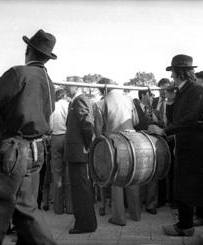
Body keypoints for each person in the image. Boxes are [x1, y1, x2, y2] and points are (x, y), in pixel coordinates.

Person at [0, 29, 57, 245]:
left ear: (28, 50)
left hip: (15, 148)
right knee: (25, 205)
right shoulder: (48, 82)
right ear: (47, 57)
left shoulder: (19, 73)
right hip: (38, 149)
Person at [149, 54, 203, 245]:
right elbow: (175, 119)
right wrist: (171, 102)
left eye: (172, 73)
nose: (171, 77)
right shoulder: (181, 92)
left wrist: (164, 130)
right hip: (184, 145)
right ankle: (185, 225)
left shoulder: (197, 90)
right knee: (182, 186)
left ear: (178, 72)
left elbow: (190, 118)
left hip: (197, 146)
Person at [94, 77, 141, 226]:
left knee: (117, 179)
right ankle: (136, 214)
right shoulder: (128, 99)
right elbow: (136, 121)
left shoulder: (101, 103)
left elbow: (98, 130)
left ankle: (119, 218)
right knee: (133, 176)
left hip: (114, 141)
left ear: (103, 90)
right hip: (132, 140)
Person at [64, 77, 97, 234]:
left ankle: (85, 224)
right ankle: (86, 223)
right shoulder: (76, 101)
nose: (65, 88)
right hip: (76, 153)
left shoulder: (80, 100)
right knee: (80, 189)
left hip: (79, 153)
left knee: (81, 189)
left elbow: (87, 125)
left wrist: (88, 146)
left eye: (67, 85)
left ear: (75, 86)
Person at [47, 88, 72, 214]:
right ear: (65, 95)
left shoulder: (53, 106)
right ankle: (70, 207)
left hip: (55, 138)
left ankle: (58, 208)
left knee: (57, 173)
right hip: (67, 138)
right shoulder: (68, 106)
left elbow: (49, 126)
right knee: (69, 172)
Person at [133, 89, 158, 215]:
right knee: (140, 174)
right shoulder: (134, 107)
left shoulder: (153, 110)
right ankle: (138, 202)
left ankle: (151, 204)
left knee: (153, 174)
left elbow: (159, 124)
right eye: (150, 94)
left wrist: (156, 120)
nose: (152, 97)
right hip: (138, 145)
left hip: (152, 145)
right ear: (142, 95)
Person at [152, 78, 173, 208]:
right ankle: (160, 199)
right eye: (161, 89)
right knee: (159, 168)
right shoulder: (154, 102)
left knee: (171, 169)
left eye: (166, 89)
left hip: (170, 138)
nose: (163, 91)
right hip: (157, 140)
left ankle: (171, 199)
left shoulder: (173, 101)